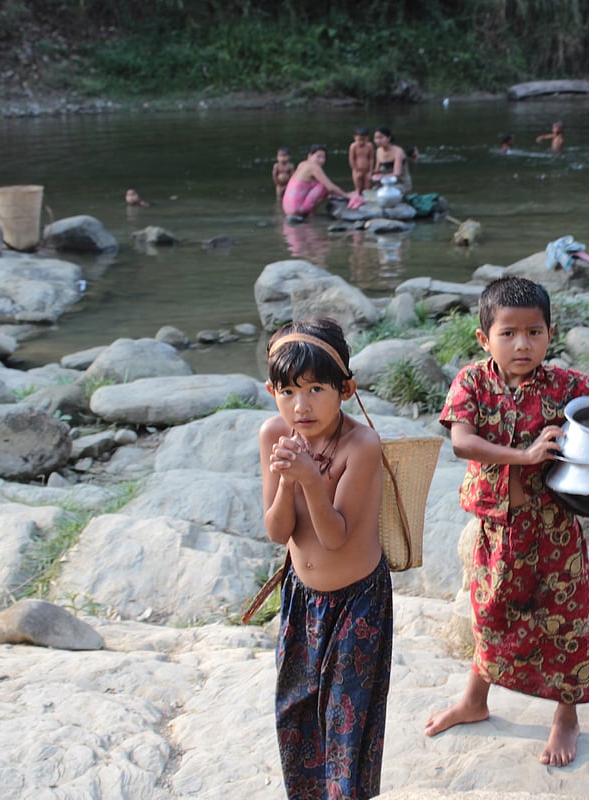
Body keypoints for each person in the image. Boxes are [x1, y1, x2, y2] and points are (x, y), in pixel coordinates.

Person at [426, 276, 589, 767]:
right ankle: (475, 701)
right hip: (496, 530)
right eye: (509, 333)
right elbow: (462, 442)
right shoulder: (472, 381)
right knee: (491, 615)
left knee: (568, 623)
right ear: (484, 338)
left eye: (534, 332)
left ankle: (567, 716)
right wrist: (526, 453)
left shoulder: (560, 384)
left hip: (553, 529)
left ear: (549, 334)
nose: (522, 344)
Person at [259, 318, 391, 800]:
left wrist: (311, 481)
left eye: (316, 388)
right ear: (272, 390)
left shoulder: (361, 445)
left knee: (345, 721)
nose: (301, 405)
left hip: (357, 603)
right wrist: (290, 479)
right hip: (302, 601)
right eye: (289, 391)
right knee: (295, 710)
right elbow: (278, 531)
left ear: (346, 389)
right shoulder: (275, 433)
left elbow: (335, 537)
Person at [282, 145, 352, 221]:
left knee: (318, 183)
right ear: (309, 156)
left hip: (287, 209)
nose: (321, 160)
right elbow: (330, 187)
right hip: (297, 209)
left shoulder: (302, 164)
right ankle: (311, 214)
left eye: (323, 157)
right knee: (323, 186)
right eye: (318, 157)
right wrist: (347, 196)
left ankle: (307, 212)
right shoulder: (314, 167)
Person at [372, 125, 411, 193]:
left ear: (388, 138)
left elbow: (397, 173)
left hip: (401, 183)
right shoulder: (378, 151)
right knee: (373, 190)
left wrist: (381, 176)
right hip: (385, 183)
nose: (378, 141)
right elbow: (377, 170)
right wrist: (370, 174)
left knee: (387, 193)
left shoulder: (398, 151)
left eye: (381, 138)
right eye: (376, 138)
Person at [348, 128, 375, 194]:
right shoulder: (353, 146)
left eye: (364, 140)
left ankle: (367, 199)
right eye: (359, 140)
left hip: (367, 170)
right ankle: (358, 197)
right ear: (354, 138)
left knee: (367, 187)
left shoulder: (370, 146)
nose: (361, 142)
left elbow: (371, 159)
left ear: (367, 138)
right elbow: (351, 159)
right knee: (358, 187)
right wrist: (356, 170)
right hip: (357, 170)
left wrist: (371, 171)